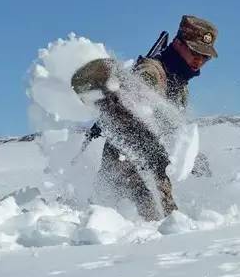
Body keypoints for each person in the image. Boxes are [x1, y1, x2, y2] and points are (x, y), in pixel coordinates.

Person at [71, 15, 218, 220]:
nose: (199, 60)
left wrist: (190, 156)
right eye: (194, 52)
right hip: (125, 163)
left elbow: (171, 128)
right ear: (177, 44)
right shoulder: (152, 72)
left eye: (205, 57)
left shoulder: (179, 84)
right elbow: (132, 111)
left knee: (165, 224)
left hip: (149, 167)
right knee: (152, 225)